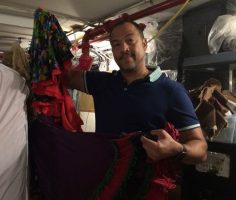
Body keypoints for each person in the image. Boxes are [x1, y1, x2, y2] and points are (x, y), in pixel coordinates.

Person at [62, 20, 207, 165]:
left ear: (144, 44)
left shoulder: (171, 90)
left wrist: (178, 150)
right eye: (116, 44)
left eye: (130, 40)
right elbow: (64, 76)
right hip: (104, 177)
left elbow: (201, 150)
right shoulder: (104, 82)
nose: (123, 48)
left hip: (146, 183)